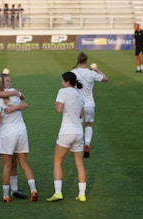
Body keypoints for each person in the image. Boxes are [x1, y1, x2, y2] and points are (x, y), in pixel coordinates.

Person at [0, 75, 38, 203]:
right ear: (3, 84)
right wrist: (16, 101)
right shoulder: (8, 95)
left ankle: (7, 195)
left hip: (7, 133)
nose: (10, 83)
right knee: (21, 163)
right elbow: (24, 103)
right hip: (15, 132)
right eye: (8, 81)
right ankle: (33, 190)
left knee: (8, 165)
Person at [46, 72, 87, 202]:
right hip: (79, 132)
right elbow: (81, 114)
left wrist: (57, 106)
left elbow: (58, 109)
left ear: (67, 82)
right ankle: (82, 194)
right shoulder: (80, 94)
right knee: (79, 164)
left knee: (57, 162)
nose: (61, 83)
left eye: (62, 80)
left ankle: (58, 193)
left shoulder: (63, 91)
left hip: (66, 132)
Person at [71, 52, 108, 158]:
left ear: (78, 61)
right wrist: (97, 70)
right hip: (90, 104)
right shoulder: (91, 73)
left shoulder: (73, 72)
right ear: (86, 61)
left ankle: (78, 146)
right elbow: (105, 78)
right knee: (88, 125)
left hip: (78, 104)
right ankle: (87, 145)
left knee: (77, 125)